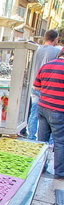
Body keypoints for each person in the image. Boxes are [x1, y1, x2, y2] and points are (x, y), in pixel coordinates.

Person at [33, 48, 64, 179]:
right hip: (59, 110)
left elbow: (36, 86)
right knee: (60, 142)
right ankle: (60, 173)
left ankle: (40, 168)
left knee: (42, 140)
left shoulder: (46, 65)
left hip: (43, 107)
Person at [26, 29, 60, 141]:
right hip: (48, 88)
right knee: (47, 116)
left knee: (34, 113)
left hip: (34, 85)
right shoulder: (56, 52)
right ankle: (47, 142)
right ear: (55, 39)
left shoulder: (36, 50)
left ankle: (31, 136)